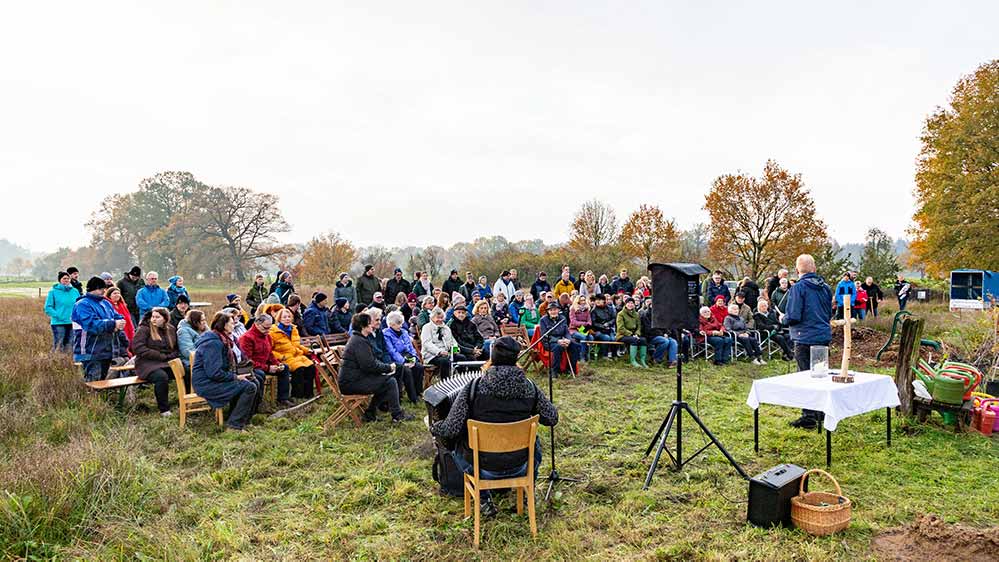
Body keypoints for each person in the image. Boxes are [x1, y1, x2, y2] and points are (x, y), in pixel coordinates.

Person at [430, 336, 558, 517]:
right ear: (517, 357)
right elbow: (552, 418)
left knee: (456, 439)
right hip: (521, 464)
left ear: (492, 357)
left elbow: (451, 428)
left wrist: (434, 426)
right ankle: (527, 496)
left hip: (480, 467)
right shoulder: (530, 387)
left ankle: (482, 497)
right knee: (534, 439)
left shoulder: (473, 388)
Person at [781, 254, 833, 429]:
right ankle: (821, 412)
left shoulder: (798, 288)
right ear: (815, 268)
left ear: (797, 270)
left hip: (804, 337)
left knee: (805, 376)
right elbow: (828, 313)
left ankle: (809, 416)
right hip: (822, 335)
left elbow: (794, 316)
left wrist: (783, 319)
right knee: (821, 375)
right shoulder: (825, 288)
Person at [340, 312, 414, 423]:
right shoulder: (359, 342)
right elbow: (369, 365)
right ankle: (396, 414)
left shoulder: (359, 339)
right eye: (369, 324)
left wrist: (387, 368)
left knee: (387, 381)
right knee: (390, 382)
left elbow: (370, 363)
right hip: (351, 383)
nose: (372, 326)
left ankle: (370, 413)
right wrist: (388, 368)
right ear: (363, 327)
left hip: (356, 379)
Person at [192, 311, 258, 431]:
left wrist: (239, 374)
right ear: (224, 325)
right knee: (249, 387)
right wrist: (235, 377)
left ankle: (242, 419)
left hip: (213, 379)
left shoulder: (223, 339)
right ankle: (234, 426)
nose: (234, 325)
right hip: (207, 383)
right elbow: (214, 372)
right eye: (232, 323)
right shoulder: (213, 343)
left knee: (252, 381)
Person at [73, 276, 127, 381]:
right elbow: (91, 325)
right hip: (90, 351)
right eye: (103, 289)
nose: (104, 291)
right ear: (96, 289)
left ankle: (103, 398)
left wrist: (120, 323)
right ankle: (91, 398)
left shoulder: (105, 303)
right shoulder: (82, 305)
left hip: (106, 350)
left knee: (103, 381)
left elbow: (117, 316)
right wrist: (113, 324)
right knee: (94, 382)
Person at [130, 307, 179, 416]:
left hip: (167, 362)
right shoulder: (144, 329)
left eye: (157, 317)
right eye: (153, 317)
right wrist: (160, 356)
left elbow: (176, 348)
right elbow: (137, 348)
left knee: (184, 371)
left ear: (165, 319)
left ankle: (184, 400)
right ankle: (164, 409)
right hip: (147, 364)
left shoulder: (171, 329)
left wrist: (170, 356)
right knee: (161, 377)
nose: (154, 319)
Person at [238, 312, 292, 408]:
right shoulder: (246, 338)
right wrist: (267, 368)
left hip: (264, 364)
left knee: (285, 368)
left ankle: (283, 399)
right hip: (252, 367)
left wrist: (277, 364)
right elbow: (247, 361)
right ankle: (258, 403)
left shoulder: (267, 336)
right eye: (265, 328)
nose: (268, 331)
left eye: (269, 328)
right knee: (260, 374)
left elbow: (270, 353)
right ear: (257, 324)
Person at [269, 307, 316, 400]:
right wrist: (280, 357)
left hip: (297, 355)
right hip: (285, 357)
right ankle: (297, 395)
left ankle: (308, 394)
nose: (287, 319)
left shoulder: (294, 329)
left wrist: (307, 350)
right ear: (279, 319)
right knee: (299, 369)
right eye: (284, 317)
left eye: (289, 317)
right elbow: (270, 350)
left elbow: (296, 345)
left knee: (311, 367)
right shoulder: (273, 332)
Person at [383, 310, 425, 404]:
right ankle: (413, 397)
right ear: (390, 324)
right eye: (398, 324)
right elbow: (392, 351)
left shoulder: (404, 332)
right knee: (407, 371)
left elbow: (410, 347)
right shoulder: (386, 334)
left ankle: (419, 392)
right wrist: (404, 362)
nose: (400, 326)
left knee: (419, 367)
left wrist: (414, 358)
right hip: (395, 360)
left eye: (401, 323)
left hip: (407, 356)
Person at [421, 307, 464, 379]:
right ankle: (445, 383)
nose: (440, 320)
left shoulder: (446, 328)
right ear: (432, 318)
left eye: (441, 318)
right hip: (432, 355)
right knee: (445, 362)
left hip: (447, 353)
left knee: (462, 358)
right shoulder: (426, 327)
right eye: (437, 318)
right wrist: (439, 352)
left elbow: (452, 341)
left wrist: (455, 349)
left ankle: (461, 380)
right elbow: (427, 344)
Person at [539, 302, 580, 376]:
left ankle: (570, 369)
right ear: (548, 311)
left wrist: (568, 340)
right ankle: (555, 370)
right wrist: (557, 341)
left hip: (563, 340)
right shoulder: (543, 320)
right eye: (551, 310)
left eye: (555, 310)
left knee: (575, 345)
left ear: (558, 310)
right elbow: (545, 335)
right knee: (558, 347)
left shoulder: (563, 318)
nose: (553, 312)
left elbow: (567, 332)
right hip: (549, 342)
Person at [44, 271, 77, 353]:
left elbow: (79, 305)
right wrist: (58, 315)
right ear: (60, 280)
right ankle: (57, 360)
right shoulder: (53, 292)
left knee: (70, 344)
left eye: (68, 278)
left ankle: (67, 361)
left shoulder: (75, 291)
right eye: (64, 278)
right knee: (59, 344)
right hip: (59, 322)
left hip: (72, 322)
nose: (66, 280)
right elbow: (48, 307)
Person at [640, 299, 678, 367]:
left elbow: (665, 327)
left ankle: (672, 361)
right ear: (650, 306)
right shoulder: (645, 315)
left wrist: (666, 333)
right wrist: (662, 334)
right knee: (664, 341)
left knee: (673, 342)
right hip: (650, 336)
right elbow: (648, 329)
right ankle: (655, 359)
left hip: (661, 335)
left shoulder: (660, 315)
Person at [616, 297, 648, 368]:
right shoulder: (620, 314)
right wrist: (631, 334)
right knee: (634, 340)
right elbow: (620, 328)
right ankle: (633, 361)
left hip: (634, 335)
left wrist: (636, 334)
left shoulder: (636, 314)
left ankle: (642, 361)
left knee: (643, 340)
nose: (630, 305)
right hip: (622, 335)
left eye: (632, 303)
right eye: (629, 303)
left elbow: (639, 326)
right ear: (625, 304)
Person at [177, 309, 206, 377]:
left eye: (204, 320)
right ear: (195, 322)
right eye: (202, 320)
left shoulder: (204, 329)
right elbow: (188, 351)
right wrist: (207, 356)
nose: (204, 322)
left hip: (205, 359)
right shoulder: (183, 331)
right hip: (191, 361)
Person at [589, 293, 616, 358]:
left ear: (604, 300)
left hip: (609, 329)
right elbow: (593, 323)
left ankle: (614, 356)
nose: (597, 301)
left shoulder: (610, 308)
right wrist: (603, 326)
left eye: (599, 299)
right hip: (598, 331)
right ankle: (604, 356)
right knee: (606, 338)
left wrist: (608, 324)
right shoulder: (594, 311)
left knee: (613, 339)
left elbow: (614, 318)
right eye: (596, 300)